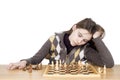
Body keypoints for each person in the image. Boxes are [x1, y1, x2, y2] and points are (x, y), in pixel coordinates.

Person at [7, 18, 114, 70]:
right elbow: (36, 59)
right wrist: (24, 61)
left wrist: (97, 39)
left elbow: (108, 64)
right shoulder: (54, 40)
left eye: (85, 40)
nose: (80, 41)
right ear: (74, 27)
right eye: (79, 35)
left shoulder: (85, 49)